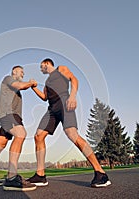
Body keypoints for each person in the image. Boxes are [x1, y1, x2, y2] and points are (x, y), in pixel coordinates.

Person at [26, 58, 111, 188]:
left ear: (47, 64)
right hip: (52, 109)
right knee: (38, 136)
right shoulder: (48, 81)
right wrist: (33, 88)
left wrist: (72, 96)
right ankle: (40, 175)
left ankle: (100, 173)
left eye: (41, 66)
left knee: (72, 135)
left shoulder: (61, 69)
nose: (40, 69)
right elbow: (44, 98)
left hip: (64, 103)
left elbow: (74, 79)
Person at [0, 66, 37, 191]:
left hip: (9, 116)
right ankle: (11, 177)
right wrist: (31, 83)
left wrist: (28, 85)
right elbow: (20, 85)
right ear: (14, 72)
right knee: (21, 134)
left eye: (23, 73)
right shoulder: (9, 79)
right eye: (21, 72)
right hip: (9, 115)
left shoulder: (14, 86)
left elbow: (21, 86)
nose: (23, 74)